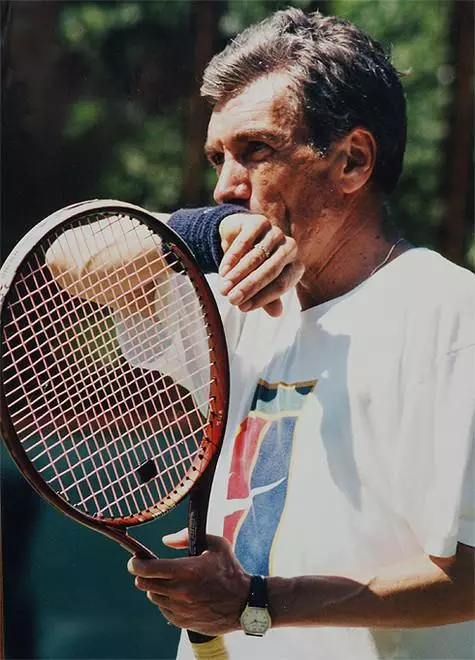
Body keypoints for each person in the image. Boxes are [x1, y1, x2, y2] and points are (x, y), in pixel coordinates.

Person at [48, 8, 475, 660]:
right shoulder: (233, 303)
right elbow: (67, 253)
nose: (225, 184)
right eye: (218, 156)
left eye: (255, 150)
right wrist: (205, 233)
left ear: (352, 161)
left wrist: (256, 602)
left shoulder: (451, 316)